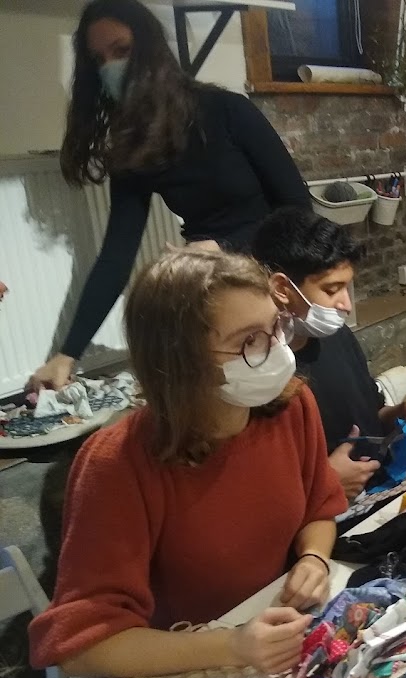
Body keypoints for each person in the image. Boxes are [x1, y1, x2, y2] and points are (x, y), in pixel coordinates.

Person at [29, 249, 347, 678]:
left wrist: (314, 559)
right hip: (182, 667)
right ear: (183, 360)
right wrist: (231, 645)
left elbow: (319, 507)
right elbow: (83, 647)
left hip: (270, 642)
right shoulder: (116, 463)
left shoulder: (291, 407)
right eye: (248, 341)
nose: (277, 351)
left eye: (276, 327)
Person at [28, 0, 308, 392]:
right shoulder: (134, 146)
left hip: (280, 275)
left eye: (122, 51)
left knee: (292, 393)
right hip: (216, 286)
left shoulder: (227, 110)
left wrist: (225, 247)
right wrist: (66, 354)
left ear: (149, 50)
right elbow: (116, 256)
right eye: (98, 59)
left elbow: (299, 209)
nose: (110, 67)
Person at [250, 207, 406, 501]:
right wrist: (324, 482)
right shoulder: (259, 376)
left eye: (346, 288)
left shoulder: (337, 337)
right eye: (331, 290)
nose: (346, 305)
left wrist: (401, 412)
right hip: (327, 514)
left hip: (383, 490)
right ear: (282, 289)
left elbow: (372, 414)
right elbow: (259, 491)